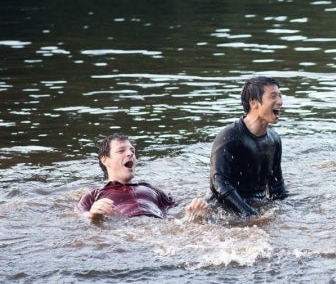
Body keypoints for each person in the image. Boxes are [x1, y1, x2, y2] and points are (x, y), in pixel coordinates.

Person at [76, 133, 208, 223]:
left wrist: (193, 214)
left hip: (162, 227)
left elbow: (175, 214)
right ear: (105, 160)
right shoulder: (93, 196)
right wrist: (93, 215)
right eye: (121, 151)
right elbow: (79, 219)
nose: (130, 154)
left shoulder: (154, 190)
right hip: (127, 231)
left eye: (132, 151)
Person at [208, 75, 289, 217]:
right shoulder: (229, 137)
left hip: (256, 206)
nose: (280, 102)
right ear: (254, 103)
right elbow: (218, 183)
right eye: (273, 97)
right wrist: (248, 214)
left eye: (280, 96)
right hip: (224, 211)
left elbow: (277, 187)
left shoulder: (274, 140)